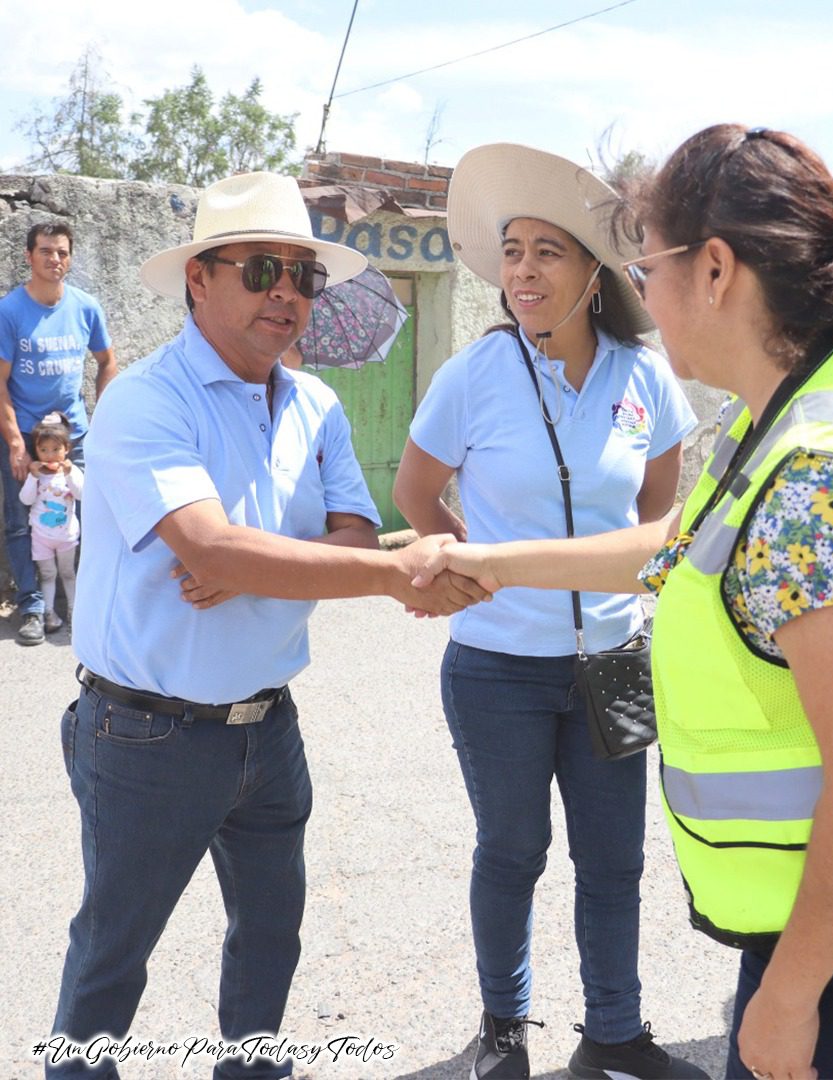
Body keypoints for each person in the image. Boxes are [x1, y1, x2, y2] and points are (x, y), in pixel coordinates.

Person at [415, 125, 833, 1079]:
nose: (643, 295)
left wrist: (787, 998)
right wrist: (495, 560)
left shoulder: (819, 471)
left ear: (712, 270)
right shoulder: (804, 405)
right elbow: (678, 544)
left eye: (645, 264)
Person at [50, 171, 487, 1080]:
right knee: (112, 954)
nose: (286, 292)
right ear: (198, 281)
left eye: (301, 274)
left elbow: (351, 533)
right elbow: (219, 548)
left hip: (266, 724)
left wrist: (243, 562)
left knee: (270, 938)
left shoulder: (316, 405)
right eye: (260, 270)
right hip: (147, 731)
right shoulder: (145, 401)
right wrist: (240, 557)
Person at [392, 143, 705, 1080]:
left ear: (592, 273)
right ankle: (504, 1030)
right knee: (513, 852)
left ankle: (613, 1030)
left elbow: (659, 511)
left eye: (546, 252)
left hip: (616, 659)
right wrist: (474, 577)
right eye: (513, 252)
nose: (523, 271)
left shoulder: (645, 378)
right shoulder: (473, 375)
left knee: (616, 862)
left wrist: (616, 589)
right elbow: (416, 495)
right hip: (498, 667)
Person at [0, 221, 117, 645]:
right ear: (29, 256)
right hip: (28, 434)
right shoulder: (10, 311)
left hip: (75, 437)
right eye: (46, 251)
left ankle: (82, 604)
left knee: (87, 516)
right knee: (20, 522)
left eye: (63, 252)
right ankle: (32, 607)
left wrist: (101, 416)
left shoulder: (85, 307)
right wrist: (15, 442)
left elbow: (107, 360)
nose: (55, 260)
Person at [17, 411, 83, 633]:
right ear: (35, 450)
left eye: (56, 449)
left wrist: (69, 474)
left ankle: (74, 612)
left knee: (68, 573)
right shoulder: (37, 475)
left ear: (67, 449)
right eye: (43, 450)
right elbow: (26, 499)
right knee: (47, 575)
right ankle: (49, 614)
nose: (50, 456)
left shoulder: (71, 471)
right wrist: (33, 477)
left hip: (66, 536)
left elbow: (82, 494)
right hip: (41, 536)